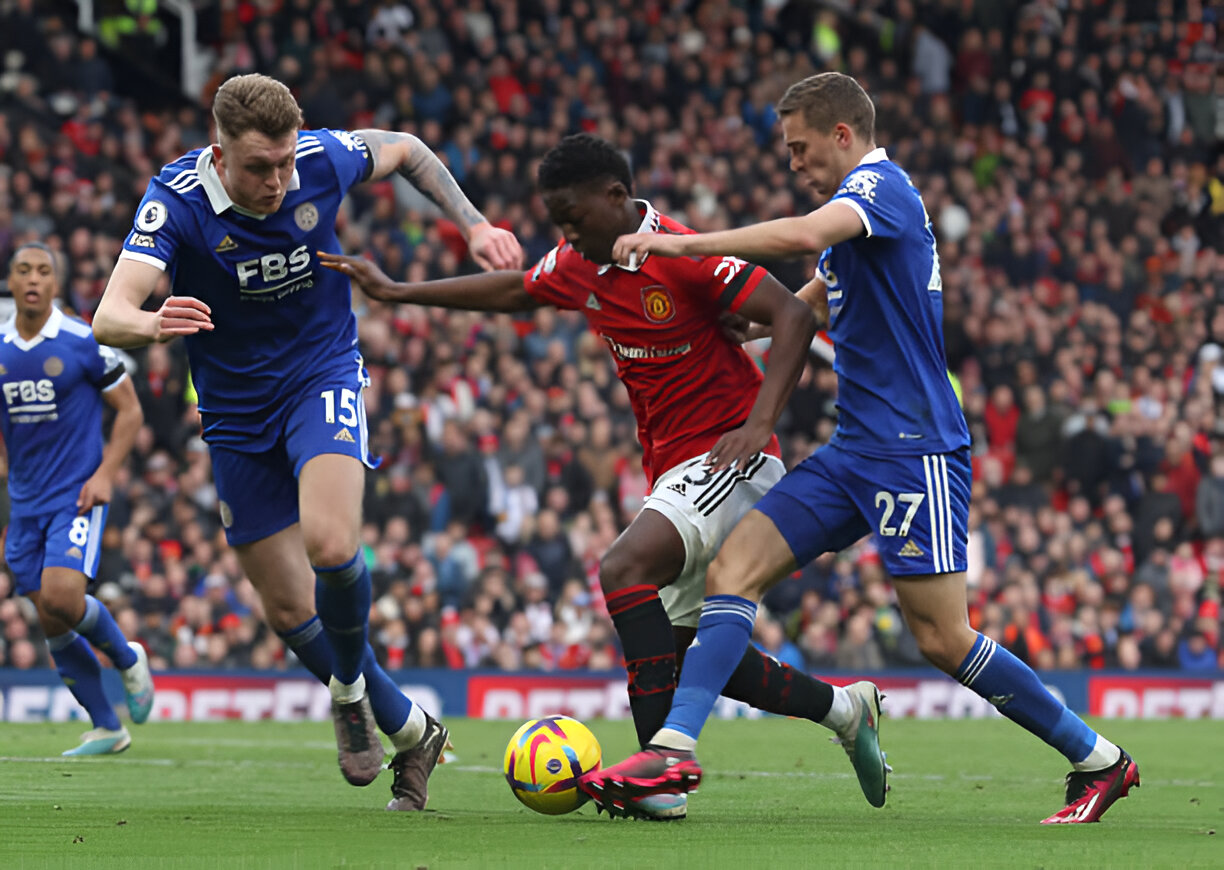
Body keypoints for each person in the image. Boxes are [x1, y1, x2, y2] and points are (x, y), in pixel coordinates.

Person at [582, 73, 1139, 825]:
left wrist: (682, 246)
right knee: (733, 568)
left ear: (844, 135)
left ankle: (1100, 759)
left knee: (943, 638)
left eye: (801, 147)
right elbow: (806, 300)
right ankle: (674, 747)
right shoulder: (856, 229)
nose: (792, 162)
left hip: (916, 452)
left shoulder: (882, 190)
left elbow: (806, 236)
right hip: (853, 453)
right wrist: (728, 328)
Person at [320, 133, 889, 821]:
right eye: (557, 220)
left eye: (573, 216)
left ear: (616, 199)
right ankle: (843, 709)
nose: (565, 233)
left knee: (623, 567)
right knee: (682, 652)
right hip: (673, 471)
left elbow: (793, 313)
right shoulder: (579, 263)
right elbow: (517, 290)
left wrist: (762, 421)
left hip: (729, 459)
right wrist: (401, 291)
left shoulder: (682, 256)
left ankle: (657, 775)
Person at [92, 73, 521, 809]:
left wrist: (473, 223)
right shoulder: (176, 202)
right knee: (290, 611)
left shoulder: (321, 159)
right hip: (233, 413)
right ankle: (413, 730)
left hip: (320, 375)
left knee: (330, 544)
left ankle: (350, 690)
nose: (279, 181)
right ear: (219, 154)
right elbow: (109, 314)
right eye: (260, 167)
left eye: (286, 163)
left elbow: (409, 149)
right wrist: (153, 322)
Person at [0, 242, 154, 755]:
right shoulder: (0, 347)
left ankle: (127, 659)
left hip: (77, 495)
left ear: (56, 283)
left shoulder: (82, 340)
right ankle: (108, 727)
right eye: (23, 270)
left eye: (43, 270)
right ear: (11, 280)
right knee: (49, 616)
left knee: (64, 598)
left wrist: (107, 473)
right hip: (24, 502)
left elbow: (129, 411)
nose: (33, 279)